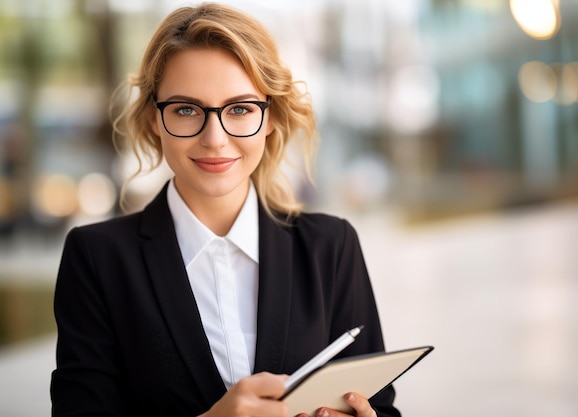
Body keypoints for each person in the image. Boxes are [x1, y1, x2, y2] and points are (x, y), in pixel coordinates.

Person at [51, 3, 400, 417]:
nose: (215, 138)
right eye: (185, 109)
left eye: (239, 109)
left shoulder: (332, 246)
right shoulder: (97, 258)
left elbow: (379, 406)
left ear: (269, 117)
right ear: (153, 120)